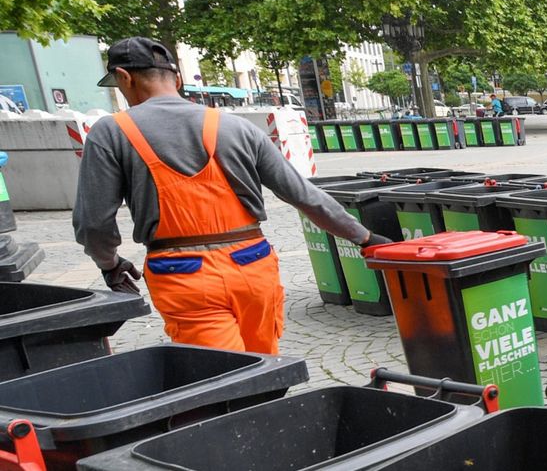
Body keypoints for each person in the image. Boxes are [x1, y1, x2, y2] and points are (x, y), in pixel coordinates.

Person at [73, 38, 391, 355]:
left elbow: (93, 223)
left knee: (222, 378)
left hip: (183, 275)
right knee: (265, 368)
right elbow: (304, 195)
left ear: (124, 77)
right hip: (252, 266)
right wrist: (365, 238)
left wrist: (110, 263)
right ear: (179, 79)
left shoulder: (111, 133)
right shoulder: (237, 127)